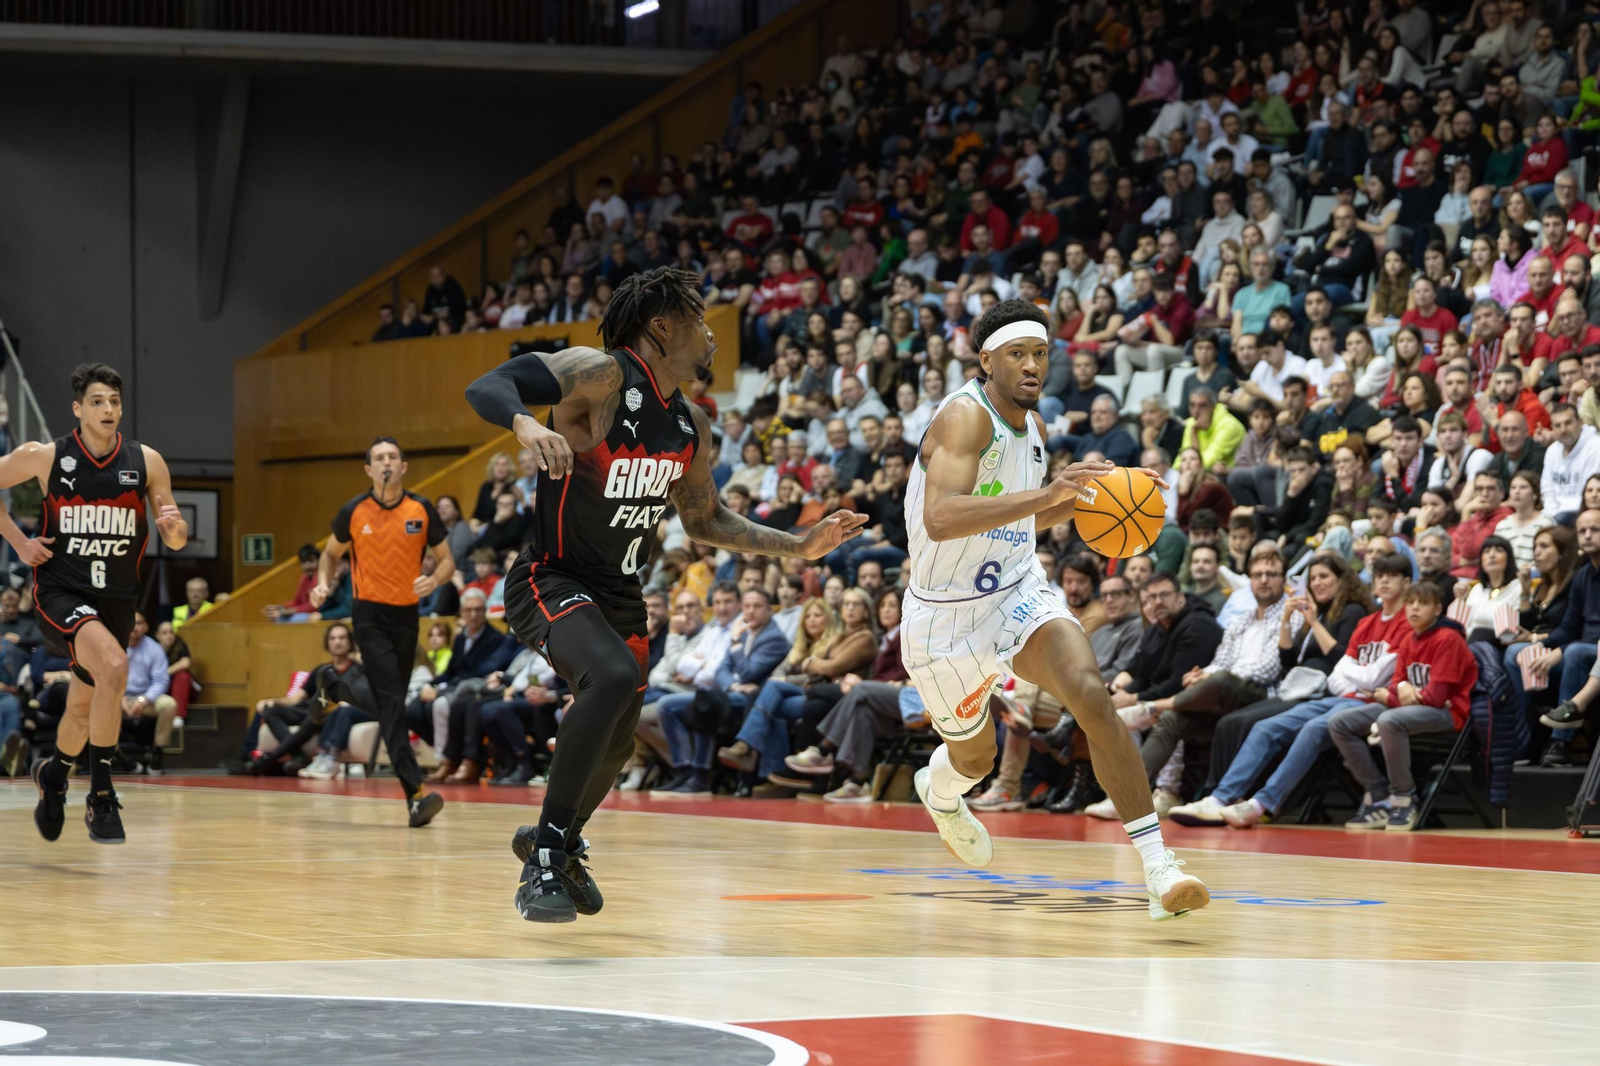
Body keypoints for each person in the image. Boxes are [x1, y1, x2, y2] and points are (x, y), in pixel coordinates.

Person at [464, 267, 866, 923]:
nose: (712, 334)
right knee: (613, 674)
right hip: (552, 577)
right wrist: (523, 425)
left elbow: (705, 522)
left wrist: (799, 545)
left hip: (621, 593)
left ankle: (557, 842)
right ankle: (542, 863)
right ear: (661, 326)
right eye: (700, 320)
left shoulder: (691, 427)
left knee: (619, 744)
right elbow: (489, 383)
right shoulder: (599, 375)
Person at [900, 298, 1208, 921]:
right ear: (986, 360)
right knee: (975, 760)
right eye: (1018, 354)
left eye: (1041, 353)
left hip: (1016, 588)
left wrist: (1096, 496)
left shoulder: (1034, 430)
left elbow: (1032, 513)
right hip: (944, 617)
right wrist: (1048, 493)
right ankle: (940, 792)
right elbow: (941, 517)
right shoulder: (965, 418)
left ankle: (1157, 867)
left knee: (1088, 690)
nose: (1033, 366)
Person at [0, 363, 188, 845]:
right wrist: (20, 544)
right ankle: (101, 794)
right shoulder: (46, 457)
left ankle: (55, 777)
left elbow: (177, 532)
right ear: (79, 409)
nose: (109, 410)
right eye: (99, 402)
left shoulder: (146, 461)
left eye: (115, 402)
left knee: (83, 708)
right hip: (61, 591)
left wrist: (174, 529)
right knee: (114, 665)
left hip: (117, 599)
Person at [1169, 552, 1411, 828]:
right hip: (1339, 694)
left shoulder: (1397, 621)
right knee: (1265, 727)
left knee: (1311, 728)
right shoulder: (1368, 623)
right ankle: (1218, 799)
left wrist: (1361, 678)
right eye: (1379, 577)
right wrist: (1360, 678)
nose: (1383, 582)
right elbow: (1340, 672)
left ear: (1406, 583)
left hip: (1374, 701)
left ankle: (1261, 803)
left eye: (1390, 577)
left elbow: (1375, 673)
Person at [309, 436, 457, 827]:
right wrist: (324, 582)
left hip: (407, 617)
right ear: (369, 470)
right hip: (369, 616)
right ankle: (415, 796)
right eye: (379, 458)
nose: (387, 462)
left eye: (393, 456)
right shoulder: (354, 511)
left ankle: (335, 686)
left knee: (391, 703)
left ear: (403, 467)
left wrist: (435, 580)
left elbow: (446, 561)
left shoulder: (421, 509)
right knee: (392, 704)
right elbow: (329, 554)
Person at [1328, 581, 1478, 830]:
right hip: (1409, 708)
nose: (1415, 608)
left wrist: (1392, 696)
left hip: (1449, 713)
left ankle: (1404, 798)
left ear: (1438, 608)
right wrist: (1401, 690)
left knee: (1389, 721)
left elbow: (1436, 697)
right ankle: (1379, 796)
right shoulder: (1409, 638)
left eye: (1424, 603)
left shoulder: (1448, 639)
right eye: (1411, 603)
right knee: (1340, 723)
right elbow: (1397, 680)